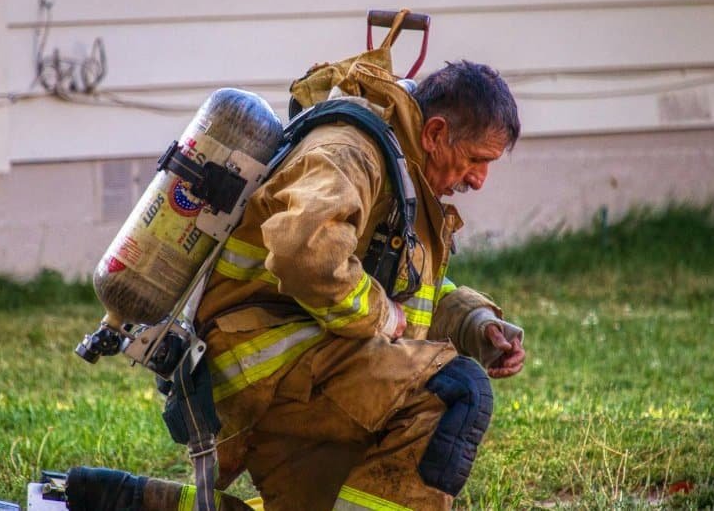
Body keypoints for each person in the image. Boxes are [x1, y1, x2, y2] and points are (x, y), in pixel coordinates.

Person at [67, 59, 525, 511]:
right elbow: (302, 251)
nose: (479, 180)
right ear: (436, 133)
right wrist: (382, 316)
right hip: (274, 369)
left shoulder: (400, 174)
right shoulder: (351, 153)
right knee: (457, 391)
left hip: (297, 374)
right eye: (475, 160)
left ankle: (119, 501)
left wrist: (475, 323)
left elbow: (409, 291)